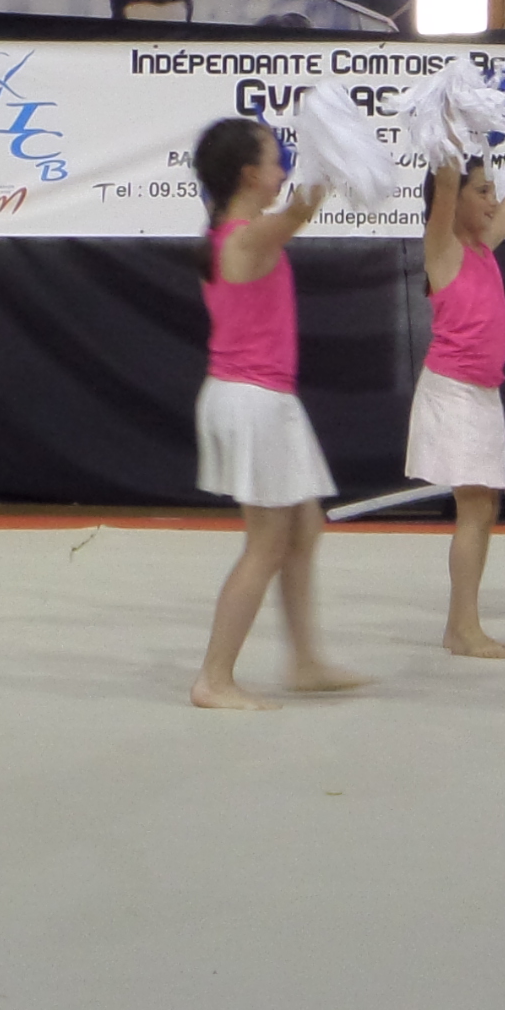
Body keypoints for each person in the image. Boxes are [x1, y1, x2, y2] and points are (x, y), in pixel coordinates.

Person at [185, 116, 366, 710]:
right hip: (252, 399)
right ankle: (214, 678)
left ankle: (305, 661)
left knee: (304, 526)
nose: (283, 167)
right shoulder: (245, 237)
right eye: (276, 158)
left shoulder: (235, 234)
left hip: (262, 398)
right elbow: (301, 210)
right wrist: (332, 146)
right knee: (266, 543)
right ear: (249, 175)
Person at [412, 144, 505, 658]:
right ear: (455, 198)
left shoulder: (484, 245)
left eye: (492, 191)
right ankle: (463, 628)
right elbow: (446, 182)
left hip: (482, 394)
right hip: (454, 391)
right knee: (474, 506)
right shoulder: (442, 249)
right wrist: (447, 130)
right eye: (482, 191)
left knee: (484, 507)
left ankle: (460, 625)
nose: (493, 201)